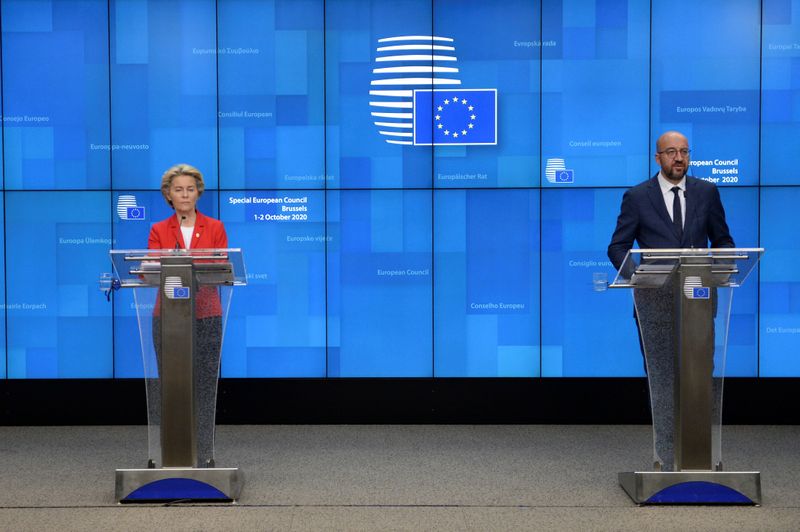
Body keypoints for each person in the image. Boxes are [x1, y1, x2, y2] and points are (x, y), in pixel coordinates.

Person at [607, 131, 734, 471]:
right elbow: (618, 246)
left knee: (698, 377)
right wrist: (639, 277)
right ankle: (667, 458)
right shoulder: (637, 197)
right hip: (655, 303)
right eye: (671, 152)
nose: (678, 158)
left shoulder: (707, 192)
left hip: (698, 299)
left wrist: (721, 267)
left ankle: (702, 456)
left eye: (684, 152)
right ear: (657, 158)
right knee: (663, 380)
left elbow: (722, 240)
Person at [148, 164, 228, 467]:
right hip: (167, 319)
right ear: (168, 194)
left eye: (190, 189)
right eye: (178, 189)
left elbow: (221, 266)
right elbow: (149, 272)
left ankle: (204, 455)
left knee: (205, 386)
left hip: (207, 316)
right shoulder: (158, 229)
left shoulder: (215, 227)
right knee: (173, 387)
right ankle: (173, 454)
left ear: (199, 193)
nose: (184, 194)